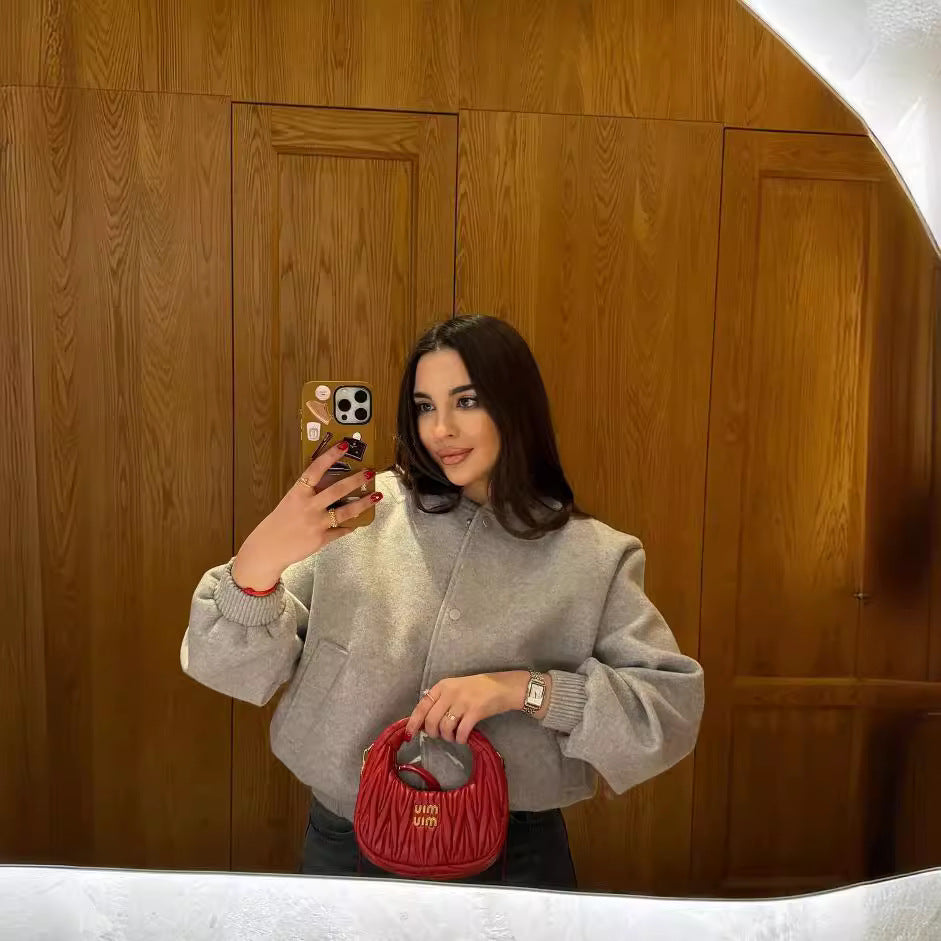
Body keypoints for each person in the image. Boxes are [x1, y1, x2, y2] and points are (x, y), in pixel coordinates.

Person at [181, 314, 704, 889]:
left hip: (513, 855)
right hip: (347, 839)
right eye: (425, 406)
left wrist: (523, 689)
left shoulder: (593, 556)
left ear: (515, 405)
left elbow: (667, 712)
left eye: (467, 401)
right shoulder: (359, 513)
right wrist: (259, 562)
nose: (441, 429)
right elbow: (224, 666)